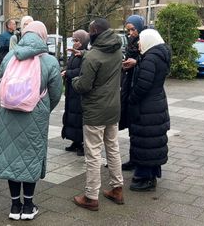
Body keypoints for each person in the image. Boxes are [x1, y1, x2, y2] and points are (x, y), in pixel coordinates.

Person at [0, 21, 62, 221]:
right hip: (34, 116)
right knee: (30, 158)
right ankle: (28, 206)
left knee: (11, 158)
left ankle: (14, 206)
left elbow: (0, 83)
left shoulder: (10, 57)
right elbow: (56, 93)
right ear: (43, 36)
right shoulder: (49, 61)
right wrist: (43, 109)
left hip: (7, 114)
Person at [72, 18, 124, 211]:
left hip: (95, 109)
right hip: (113, 107)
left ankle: (91, 196)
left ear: (94, 32)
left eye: (90, 30)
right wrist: (84, 54)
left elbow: (84, 85)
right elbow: (104, 62)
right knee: (113, 147)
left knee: (93, 153)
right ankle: (117, 189)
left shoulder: (92, 56)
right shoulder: (117, 49)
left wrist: (75, 80)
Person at [128, 29, 171, 192]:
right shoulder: (160, 55)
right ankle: (151, 174)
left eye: (140, 40)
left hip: (147, 108)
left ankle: (144, 177)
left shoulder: (150, 59)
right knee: (154, 141)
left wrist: (132, 98)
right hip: (157, 104)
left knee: (146, 141)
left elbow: (143, 85)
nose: (139, 44)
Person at [120, 15, 146, 171]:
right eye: (128, 30)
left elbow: (150, 62)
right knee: (132, 128)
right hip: (128, 85)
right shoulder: (131, 42)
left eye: (133, 29)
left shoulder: (146, 41)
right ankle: (133, 158)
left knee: (140, 129)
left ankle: (139, 161)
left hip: (138, 89)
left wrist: (136, 63)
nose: (130, 33)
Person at [61, 29, 90, 156]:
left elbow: (82, 71)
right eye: (73, 40)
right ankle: (75, 141)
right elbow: (71, 65)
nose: (75, 43)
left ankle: (82, 143)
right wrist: (65, 70)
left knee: (79, 117)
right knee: (72, 116)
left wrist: (68, 73)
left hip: (78, 90)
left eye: (77, 40)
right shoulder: (74, 53)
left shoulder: (86, 54)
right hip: (71, 89)